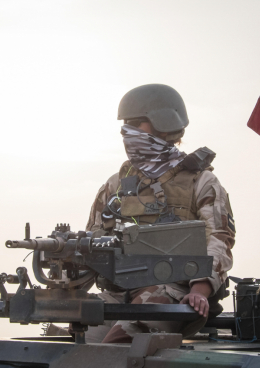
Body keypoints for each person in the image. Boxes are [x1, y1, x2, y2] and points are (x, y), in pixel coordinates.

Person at [84, 84, 236, 344]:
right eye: (125, 125)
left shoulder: (201, 182)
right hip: (117, 292)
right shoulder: (115, 184)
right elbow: (90, 242)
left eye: (135, 123)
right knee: (70, 344)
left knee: (114, 347)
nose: (126, 132)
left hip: (174, 291)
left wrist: (200, 289)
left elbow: (219, 239)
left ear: (164, 126)